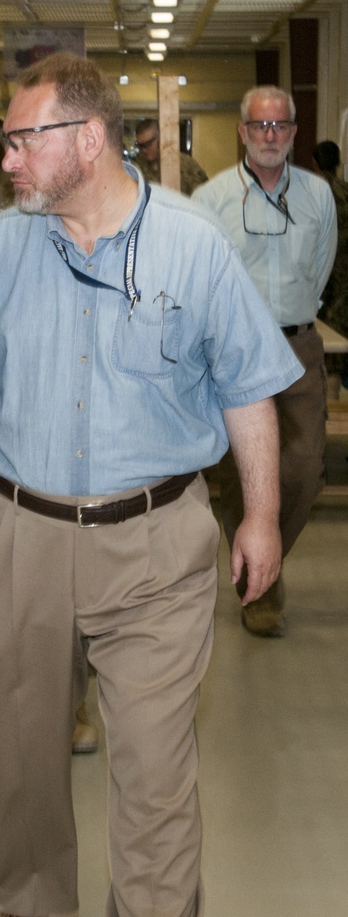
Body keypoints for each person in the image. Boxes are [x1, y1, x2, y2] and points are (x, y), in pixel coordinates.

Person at [0, 52, 302, 917]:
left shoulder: (195, 246)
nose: (6, 160)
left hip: (157, 544)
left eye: (23, 141)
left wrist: (261, 516)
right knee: (22, 780)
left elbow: (249, 390)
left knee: (157, 784)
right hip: (14, 539)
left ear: (88, 140)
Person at [192, 87, 336, 637]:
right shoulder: (211, 198)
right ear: (242, 130)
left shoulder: (319, 196)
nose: (270, 136)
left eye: (280, 127)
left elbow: (319, 271)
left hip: (297, 346)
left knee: (304, 471)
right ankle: (259, 586)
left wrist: (292, 313)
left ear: (295, 132)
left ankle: (263, 559)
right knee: (238, 473)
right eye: (260, 126)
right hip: (234, 350)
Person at [314, 142, 348, 341]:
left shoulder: (313, 195)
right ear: (338, 162)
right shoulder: (346, 191)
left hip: (322, 272)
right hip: (344, 271)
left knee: (325, 332)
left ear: (315, 163)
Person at [132, 118, 208, 196]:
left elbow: (203, 194)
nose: (144, 150)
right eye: (140, 146)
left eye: (148, 144)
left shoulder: (184, 164)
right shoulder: (137, 167)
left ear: (161, 139)